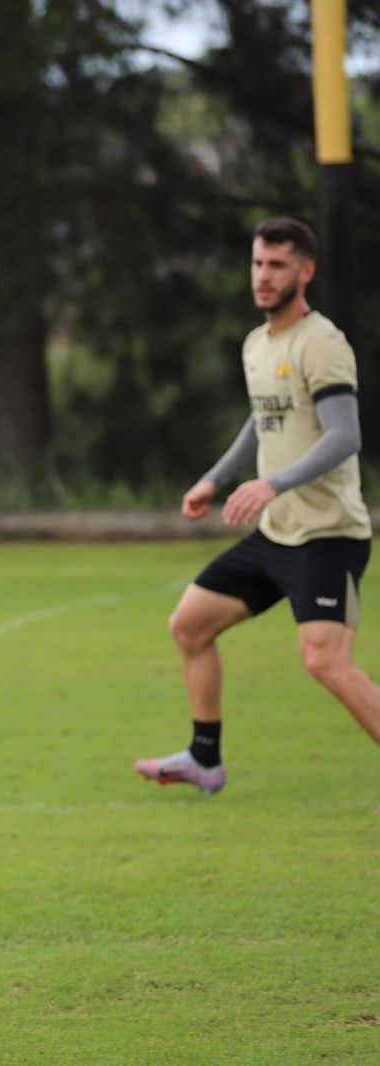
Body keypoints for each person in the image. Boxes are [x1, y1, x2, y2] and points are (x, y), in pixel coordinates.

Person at [137, 217, 380, 796]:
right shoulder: (257, 343)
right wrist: (215, 479)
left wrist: (274, 484)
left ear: (305, 271)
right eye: (257, 264)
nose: (264, 277)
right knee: (190, 627)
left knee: (325, 662)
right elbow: (264, 420)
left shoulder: (321, 341)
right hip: (276, 537)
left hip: (328, 536)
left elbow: (344, 435)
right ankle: (204, 760)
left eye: (277, 265)